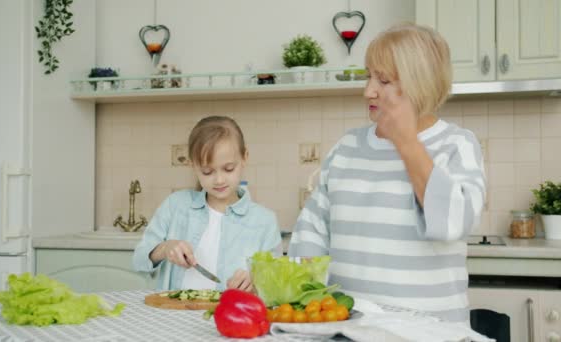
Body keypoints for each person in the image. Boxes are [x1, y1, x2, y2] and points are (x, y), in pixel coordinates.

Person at [288, 23, 486, 323]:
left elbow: (452, 223)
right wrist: (306, 301)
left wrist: (406, 141)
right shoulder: (347, 147)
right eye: (369, 76)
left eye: (383, 80)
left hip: (431, 332)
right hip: (351, 328)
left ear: (419, 83)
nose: (368, 90)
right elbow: (311, 230)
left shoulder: (456, 145)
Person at [133, 116, 281, 292]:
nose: (219, 180)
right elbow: (139, 261)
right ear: (193, 165)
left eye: (228, 169)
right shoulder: (175, 206)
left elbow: (275, 285)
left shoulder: (264, 221)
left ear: (244, 157)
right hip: (174, 315)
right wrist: (165, 248)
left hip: (230, 317)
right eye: (207, 171)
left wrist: (255, 280)